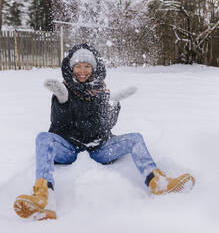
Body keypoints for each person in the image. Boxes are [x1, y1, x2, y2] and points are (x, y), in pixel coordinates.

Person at [14, 43, 195, 221]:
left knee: (135, 138)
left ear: (93, 68)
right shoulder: (64, 90)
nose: (82, 71)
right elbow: (58, 124)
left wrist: (113, 106)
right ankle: (43, 196)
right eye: (78, 66)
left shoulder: (100, 92)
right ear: (71, 68)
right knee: (43, 138)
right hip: (68, 149)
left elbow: (104, 127)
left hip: (98, 150)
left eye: (87, 66)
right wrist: (62, 101)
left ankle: (158, 183)